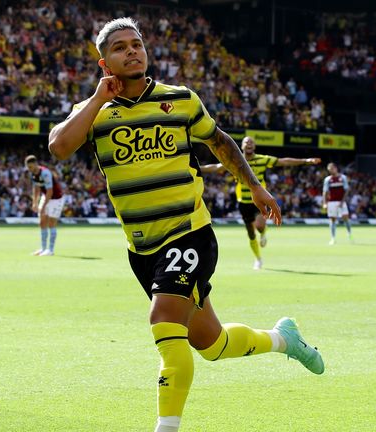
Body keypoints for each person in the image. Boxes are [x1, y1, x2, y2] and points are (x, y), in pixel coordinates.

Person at [48, 18, 324, 432]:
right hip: (142, 249)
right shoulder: (95, 113)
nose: (132, 51)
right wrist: (95, 99)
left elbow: (220, 141)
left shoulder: (180, 100)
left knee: (164, 322)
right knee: (210, 344)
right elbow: (59, 146)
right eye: (120, 47)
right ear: (105, 61)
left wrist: (255, 185)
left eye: (136, 43)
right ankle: (285, 339)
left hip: (189, 232)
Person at [202, 136, 320, 269]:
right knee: (251, 234)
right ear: (241, 146)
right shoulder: (234, 160)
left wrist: (306, 161)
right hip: (243, 202)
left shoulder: (262, 160)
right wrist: (199, 168)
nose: (249, 144)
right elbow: (216, 167)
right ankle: (258, 259)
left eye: (251, 142)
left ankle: (263, 233)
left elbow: (283, 161)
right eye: (246, 142)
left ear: (255, 146)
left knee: (258, 226)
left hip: (259, 200)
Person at [25, 155, 64, 256]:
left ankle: (50, 250)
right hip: (45, 197)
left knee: (51, 223)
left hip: (56, 199)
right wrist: (34, 202)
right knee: (42, 222)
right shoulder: (33, 174)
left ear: (36, 164)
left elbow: (50, 192)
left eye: (31, 167)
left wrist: (42, 207)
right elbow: (37, 188)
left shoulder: (45, 173)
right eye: (28, 167)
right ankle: (43, 248)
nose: (30, 169)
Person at [322, 162, 352, 245]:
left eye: (332, 169)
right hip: (331, 202)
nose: (331, 171)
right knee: (332, 219)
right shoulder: (327, 179)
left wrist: (342, 202)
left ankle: (349, 233)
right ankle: (333, 238)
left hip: (341, 201)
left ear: (336, 168)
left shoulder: (343, 178)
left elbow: (346, 190)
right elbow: (325, 192)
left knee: (345, 218)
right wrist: (325, 203)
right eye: (329, 170)